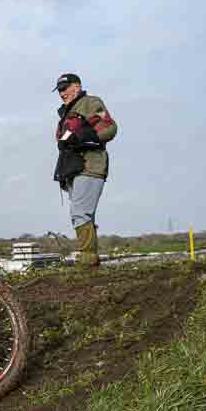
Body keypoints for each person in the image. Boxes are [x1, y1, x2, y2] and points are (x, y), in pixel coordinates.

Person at [53, 73, 118, 267]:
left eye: (65, 88)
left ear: (77, 86)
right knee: (83, 214)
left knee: (80, 213)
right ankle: (91, 261)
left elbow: (110, 127)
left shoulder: (90, 102)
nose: (62, 93)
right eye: (59, 90)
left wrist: (83, 138)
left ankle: (87, 260)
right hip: (73, 169)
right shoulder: (64, 114)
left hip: (90, 165)